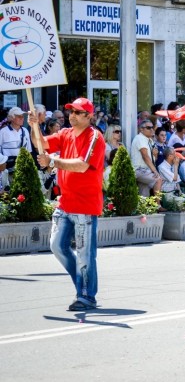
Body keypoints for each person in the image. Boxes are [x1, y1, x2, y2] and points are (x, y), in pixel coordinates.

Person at [28, 97, 106, 311]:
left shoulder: (95, 137)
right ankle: (82, 285)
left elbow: (82, 165)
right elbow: (41, 143)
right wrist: (35, 125)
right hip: (65, 203)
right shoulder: (65, 134)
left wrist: (52, 161)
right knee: (57, 246)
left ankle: (87, 296)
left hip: (85, 206)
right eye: (70, 111)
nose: (72, 115)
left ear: (89, 116)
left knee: (84, 254)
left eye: (77, 112)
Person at [131, 120, 163, 196]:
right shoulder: (140, 138)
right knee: (158, 180)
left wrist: (155, 155)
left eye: (152, 127)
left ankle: (144, 207)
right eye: (148, 128)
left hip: (145, 170)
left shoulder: (150, 140)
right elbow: (145, 157)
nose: (152, 129)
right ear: (141, 129)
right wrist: (155, 171)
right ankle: (158, 205)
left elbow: (152, 159)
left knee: (144, 194)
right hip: (139, 170)